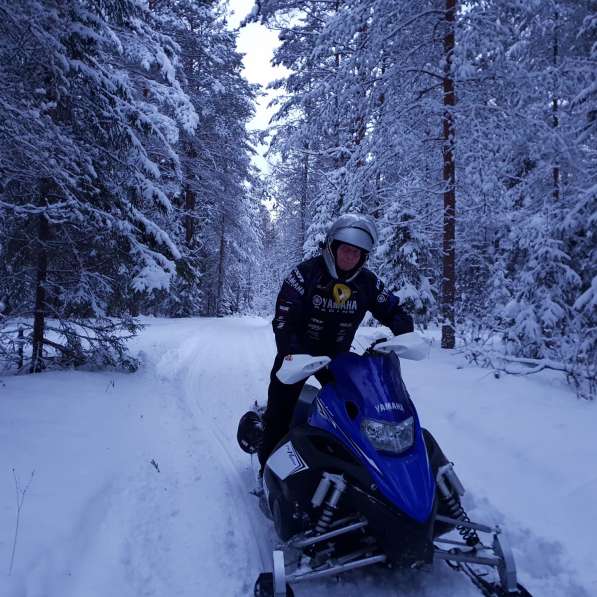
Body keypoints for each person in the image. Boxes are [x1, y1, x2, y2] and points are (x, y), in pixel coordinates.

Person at [258, 213, 414, 469]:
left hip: (338, 359)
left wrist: (405, 331)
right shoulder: (304, 275)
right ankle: (265, 471)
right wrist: (291, 353)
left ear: (364, 257)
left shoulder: (367, 282)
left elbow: (392, 309)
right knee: (278, 415)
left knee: (355, 412)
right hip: (298, 356)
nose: (350, 257)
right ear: (332, 247)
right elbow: (283, 321)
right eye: (346, 250)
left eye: (357, 253)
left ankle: (349, 468)